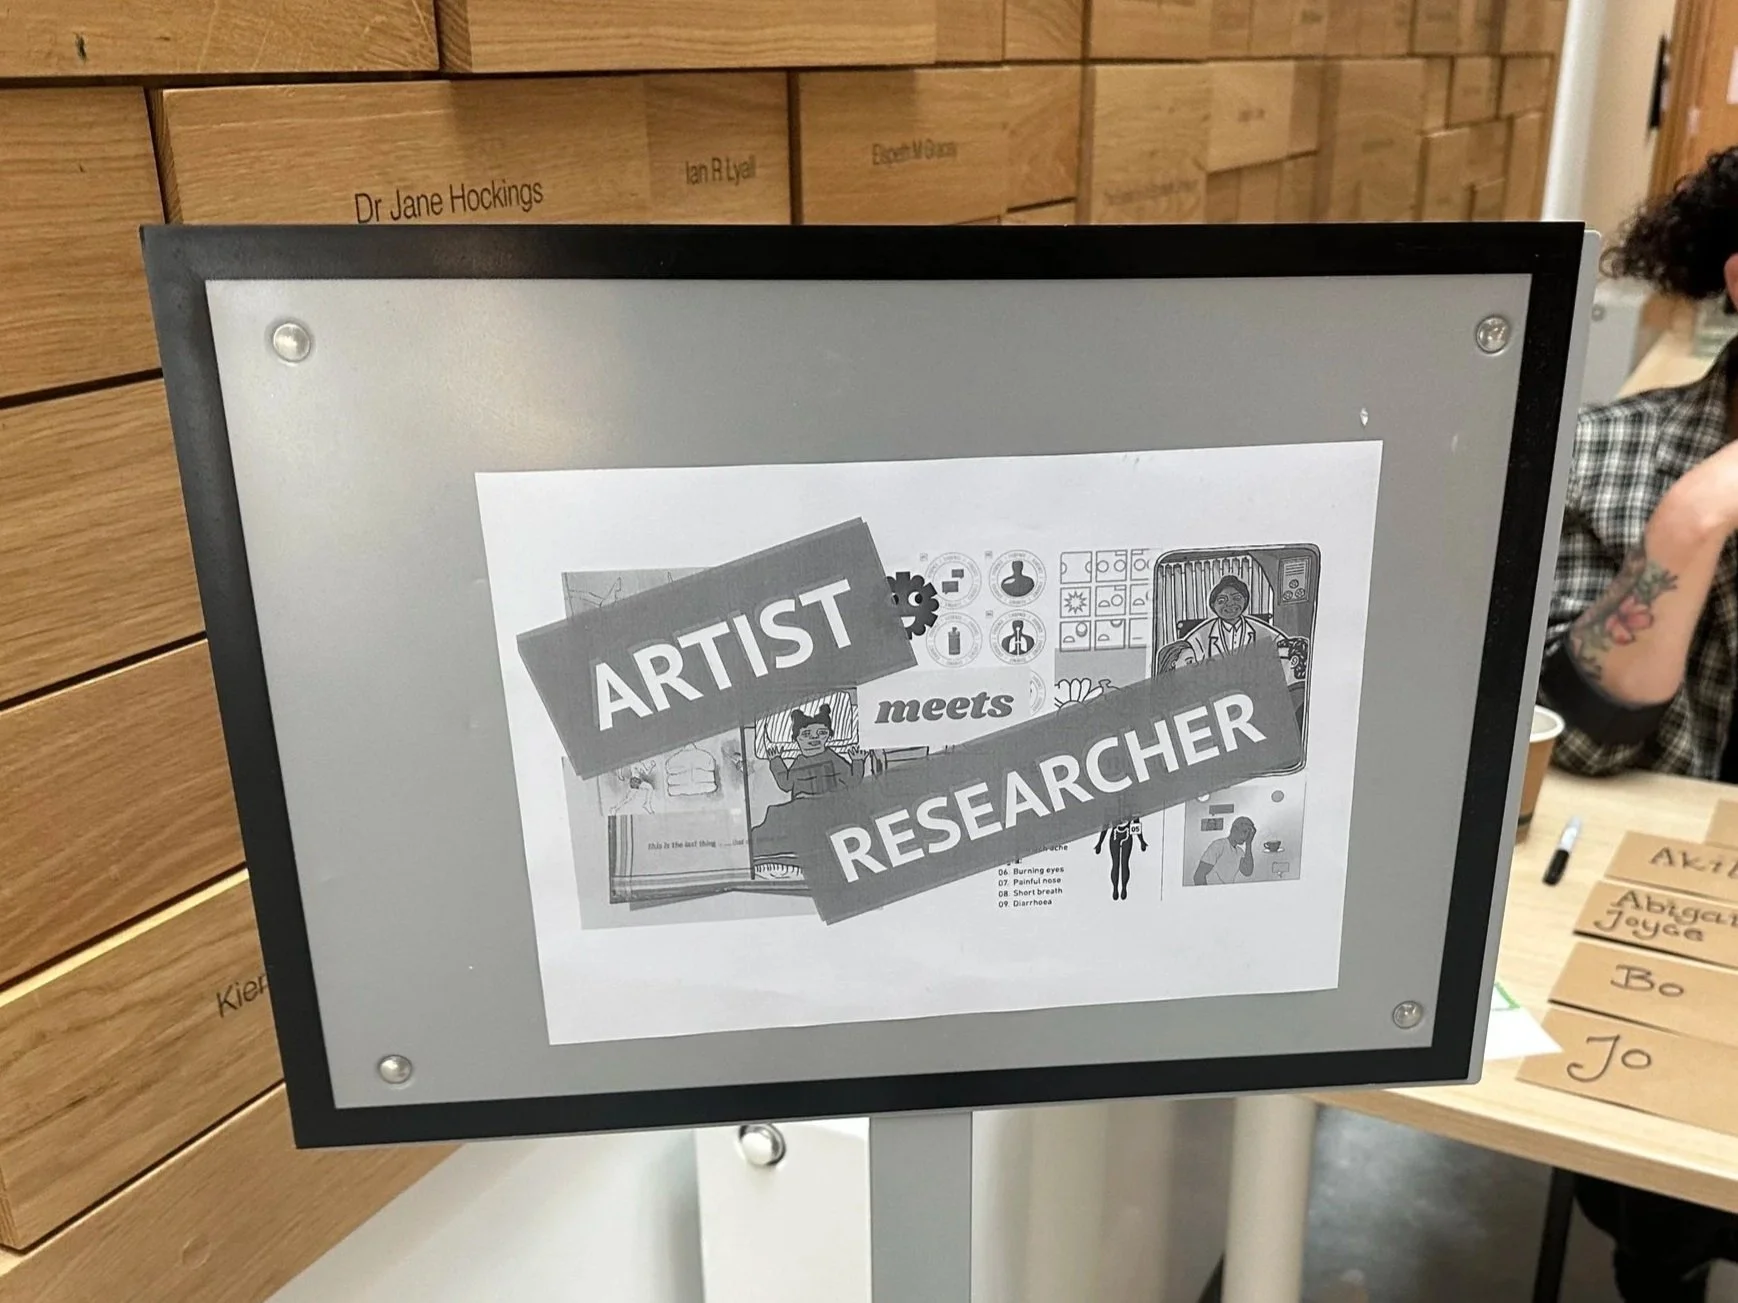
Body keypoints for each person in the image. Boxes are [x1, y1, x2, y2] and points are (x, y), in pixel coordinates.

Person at [1538, 148, 1738, 1302]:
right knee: (1659, 1226)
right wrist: (1691, 523)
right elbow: (1576, 745)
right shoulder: (1611, 457)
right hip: (1668, 956)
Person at [1179, 576, 1283, 663]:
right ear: (1213, 605)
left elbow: (1284, 650)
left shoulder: (1264, 633)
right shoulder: (1200, 637)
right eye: (1222, 600)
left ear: (1245, 600)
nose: (1230, 604)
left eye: (1236, 598)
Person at [767, 704, 861, 799]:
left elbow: (852, 780)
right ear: (796, 738)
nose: (815, 737)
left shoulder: (832, 757)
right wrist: (776, 760)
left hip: (833, 801)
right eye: (806, 734)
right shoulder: (800, 762)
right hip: (805, 803)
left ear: (828, 735)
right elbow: (786, 784)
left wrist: (857, 760)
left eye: (822, 732)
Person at [1094, 816, 1146, 900]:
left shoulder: (1130, 809)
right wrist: (1099, 843)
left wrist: (1141, 840)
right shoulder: (1111, 809)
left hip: (1126, 834)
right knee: (1116, 863)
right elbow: (1106, 825)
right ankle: (1115, 888)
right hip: (1116, 834)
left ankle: (1124, 887)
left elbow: (1136, 822)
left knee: (1124, 863)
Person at [1193, 816, 1255, 885]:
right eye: (1244, 831)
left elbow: (1247, 872)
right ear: (1234, 830)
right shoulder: (1219, 845)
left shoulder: (1240, 852)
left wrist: (1248, 844)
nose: (1246, 836)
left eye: (1248, 833)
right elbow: (1198, 876)